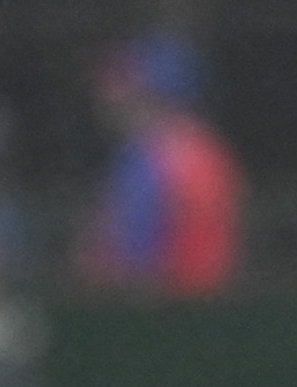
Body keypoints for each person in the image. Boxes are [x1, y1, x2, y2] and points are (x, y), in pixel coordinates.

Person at [73, 33, 244, 295]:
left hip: (160, 312)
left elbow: (132, 263)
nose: (108, 99)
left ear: (149, 95)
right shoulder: (209, 149)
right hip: (209, 311)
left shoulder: (152, 158)